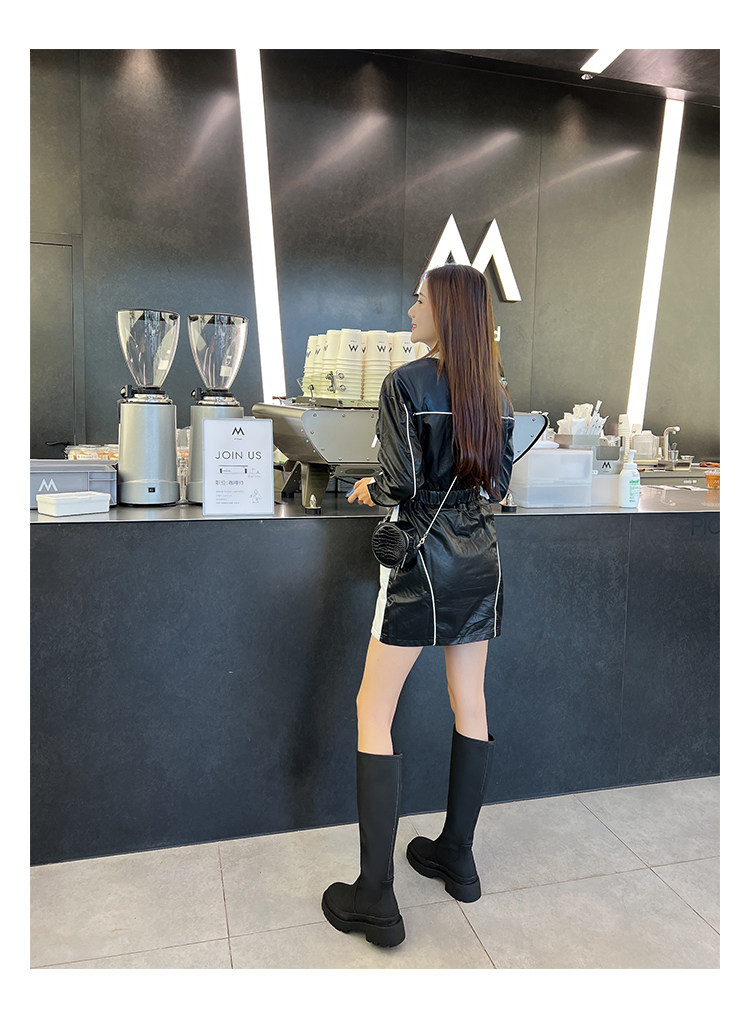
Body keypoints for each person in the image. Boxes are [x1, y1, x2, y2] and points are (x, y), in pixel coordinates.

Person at [321, 264, 515, 948]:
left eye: (420, 300)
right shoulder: (495, 391)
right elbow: (497, 484)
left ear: (447, 312)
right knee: (471, 701)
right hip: (479, 557)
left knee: (373, 709)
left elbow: (401, 484)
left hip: (419, 563)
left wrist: (371, 487)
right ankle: (457, 857)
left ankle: (375, 897)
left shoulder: (404, 383)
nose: (410, 311)